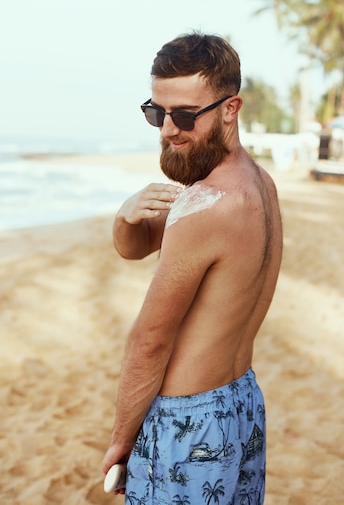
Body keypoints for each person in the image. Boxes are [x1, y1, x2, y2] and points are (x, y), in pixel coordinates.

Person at [102, 32, 283, 504]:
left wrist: (122, 440)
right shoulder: (258, 186)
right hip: (240, 400)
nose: (167, 129)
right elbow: (134, 246)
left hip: (188, 422)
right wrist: (126, 214)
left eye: (184, 115)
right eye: (156, 113)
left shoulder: (206, 208)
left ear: (230, 108)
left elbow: (150, 341)